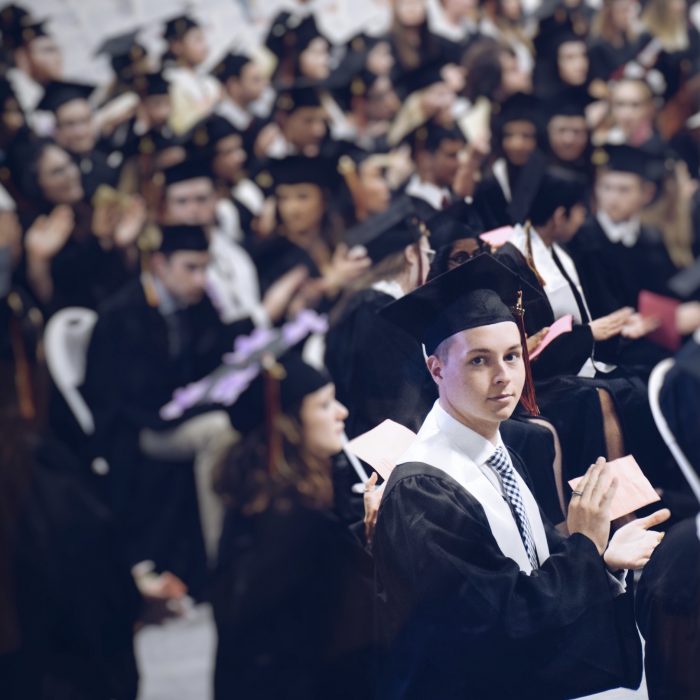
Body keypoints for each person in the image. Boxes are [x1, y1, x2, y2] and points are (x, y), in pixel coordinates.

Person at [373, 252, 670, 699]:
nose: (504, 377)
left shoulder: (500, 447)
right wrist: (585, 545)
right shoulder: (425, 489)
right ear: (437, 369)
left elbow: (535, 569)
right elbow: (497, 620)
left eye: (512, 356)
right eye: (479, 361)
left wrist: (601, 559)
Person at [212, 353, 375, 699]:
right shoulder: (291, 519)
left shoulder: (265, 494)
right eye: (323, 405)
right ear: (290, 423)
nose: (341, 412)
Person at [325, 198, 436, 437]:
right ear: (411, 255)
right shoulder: (379, 314)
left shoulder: (364, 306)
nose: (430, 265)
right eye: (428, 255)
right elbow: (399, 408)